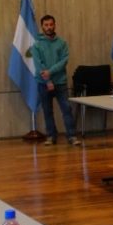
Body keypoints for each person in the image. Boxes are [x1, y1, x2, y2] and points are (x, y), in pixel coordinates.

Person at [33, 14, 81, 147]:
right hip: (43, 83)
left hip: (60, 82)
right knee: (47, 111)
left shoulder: (62, 43)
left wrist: (50, 72)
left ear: (55, 25)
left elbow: (63, 62)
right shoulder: (36, 45)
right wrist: (48, 80)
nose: (48, 27)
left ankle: (71, 136)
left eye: (51, 24)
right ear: (42, 26)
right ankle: (51, 136)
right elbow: (39, 65)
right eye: (46, 25)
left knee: (66, 109)